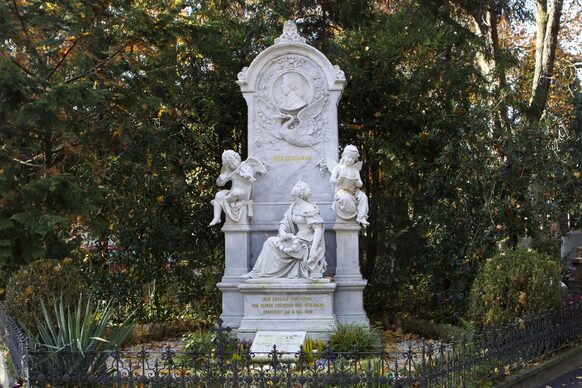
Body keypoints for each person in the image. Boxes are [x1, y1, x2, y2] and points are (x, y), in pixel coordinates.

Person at [242, 181, 326, 279]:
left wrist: (313, 249)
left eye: (298, 186)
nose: (294, 187)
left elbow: (318, 229)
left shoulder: (309, 208)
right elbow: (284, 222)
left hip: (306, 242)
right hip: (296, 238)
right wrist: (282, 231)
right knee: (270, 242)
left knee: (270, 242)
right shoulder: (293, 207)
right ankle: (257, 273)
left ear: (300, 192)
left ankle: (255, 273)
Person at [209, 150, 265, 226]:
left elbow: (251, 180)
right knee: (219, 194)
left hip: (244, 194)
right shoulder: (229, 171)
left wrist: (248, 176)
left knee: (236, 192)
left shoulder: (246, 167)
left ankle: (222, 202)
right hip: (232, 193)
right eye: (230, 164)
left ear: (237, 158)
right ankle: (217, 217)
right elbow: (220, 184)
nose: (233, 165)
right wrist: (220, 178)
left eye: (234, 161)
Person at [330, 145, 369, 226]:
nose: (351, 160)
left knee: (364, 197)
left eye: (353, 159)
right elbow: (332, 179)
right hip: (341, 190)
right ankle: (350, 215)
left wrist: (357, 183)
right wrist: (337, 181)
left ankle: (361, 217)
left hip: (354, 191)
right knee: (345, 198)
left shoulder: (355, 171)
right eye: (349, 157)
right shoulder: (338, 168)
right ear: (343, 156)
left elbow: (360, 183)